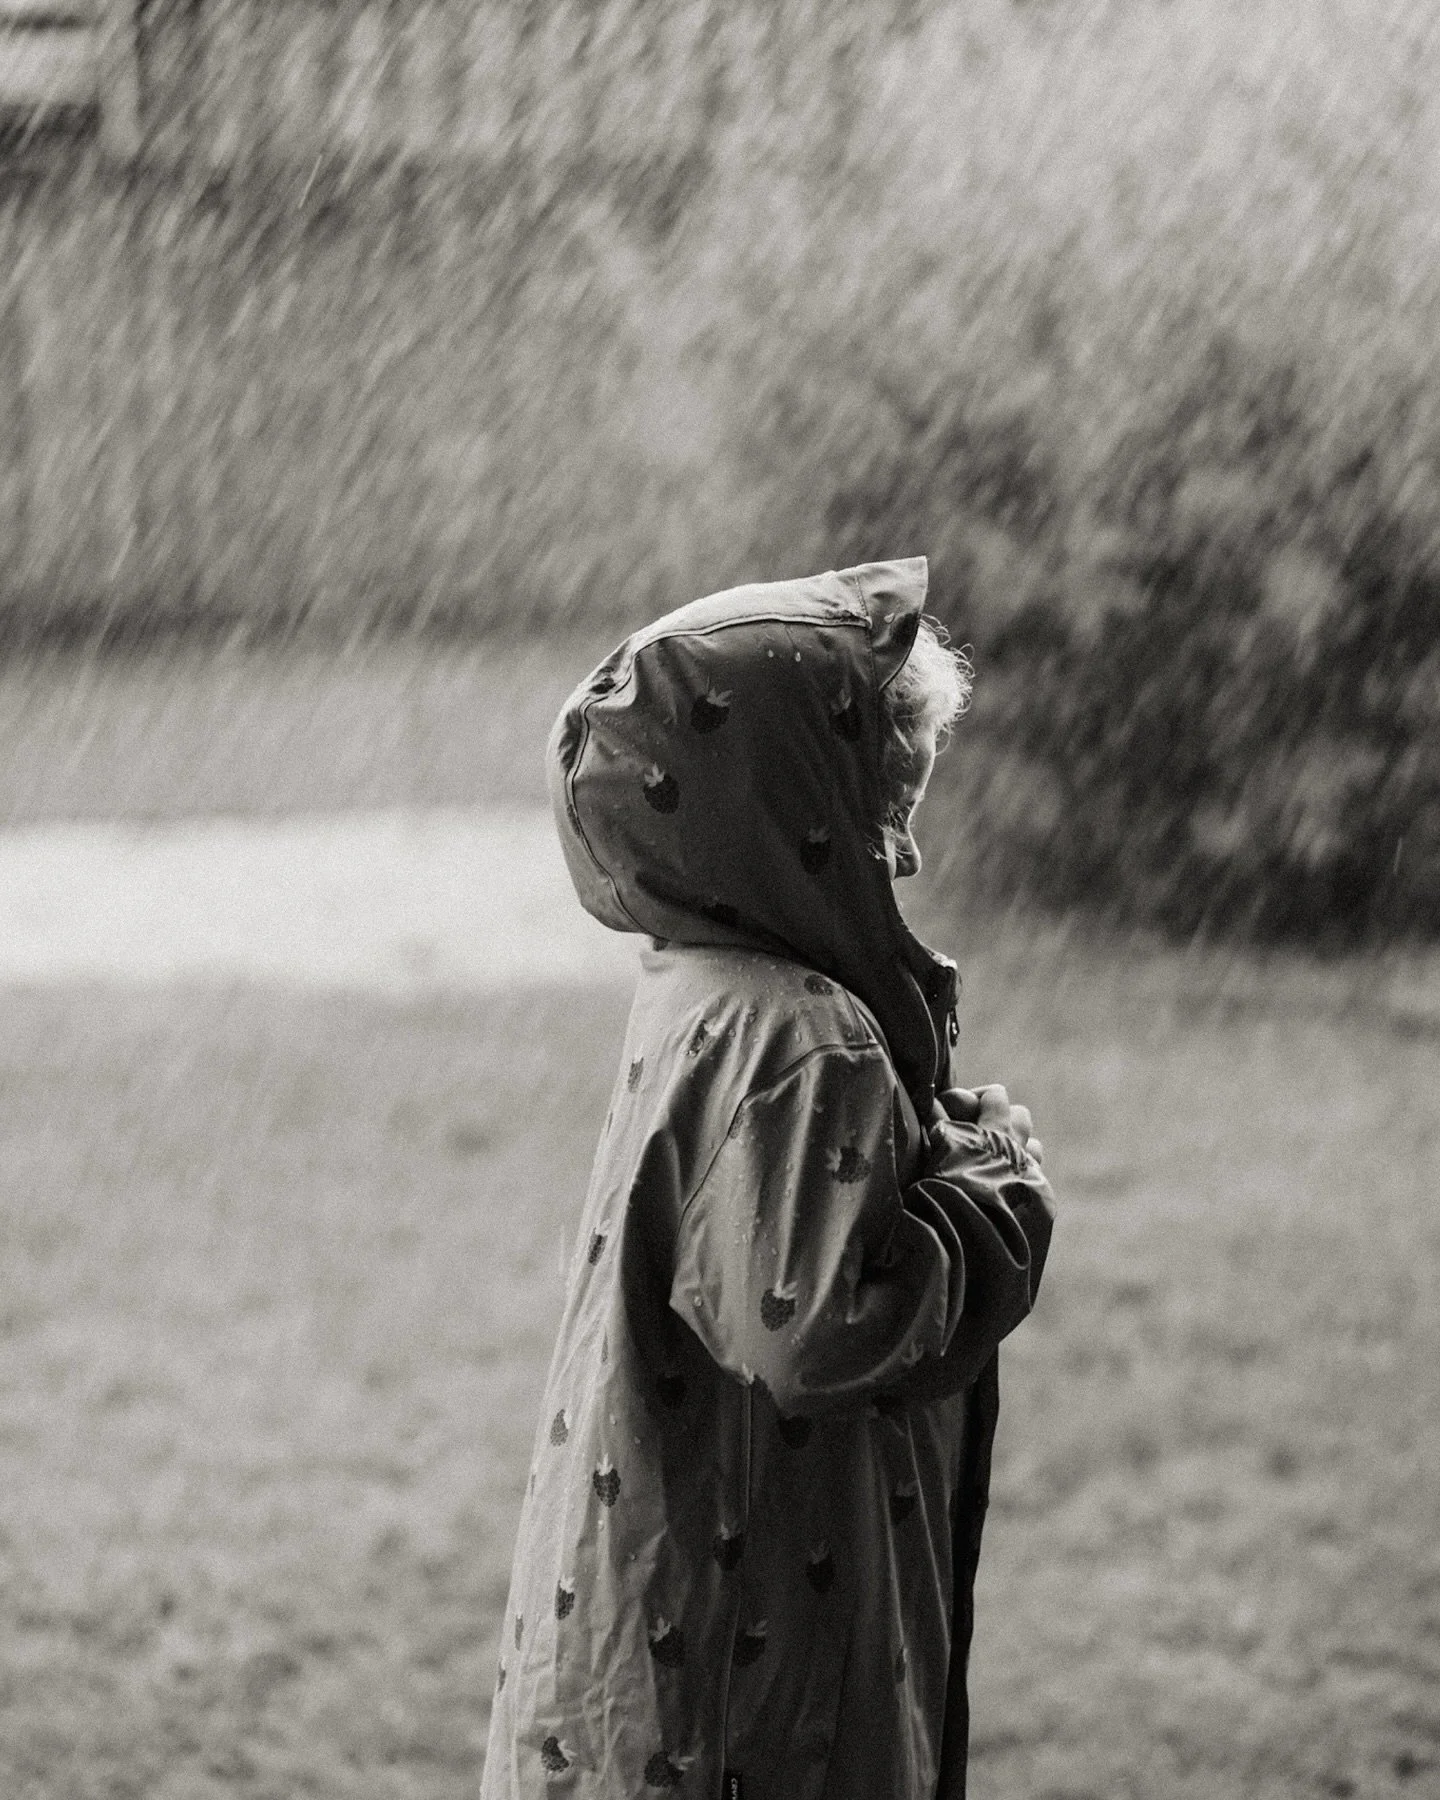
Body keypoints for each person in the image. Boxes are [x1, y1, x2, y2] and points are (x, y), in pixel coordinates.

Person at [481, 556, 1056, 1800]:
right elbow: (827, 1328)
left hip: (659, 1627)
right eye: (878, 806)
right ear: (789, 812)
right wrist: (992, 1193)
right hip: (747, 1681)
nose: (900, 855)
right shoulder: (804, 1037)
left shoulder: (698, 984)